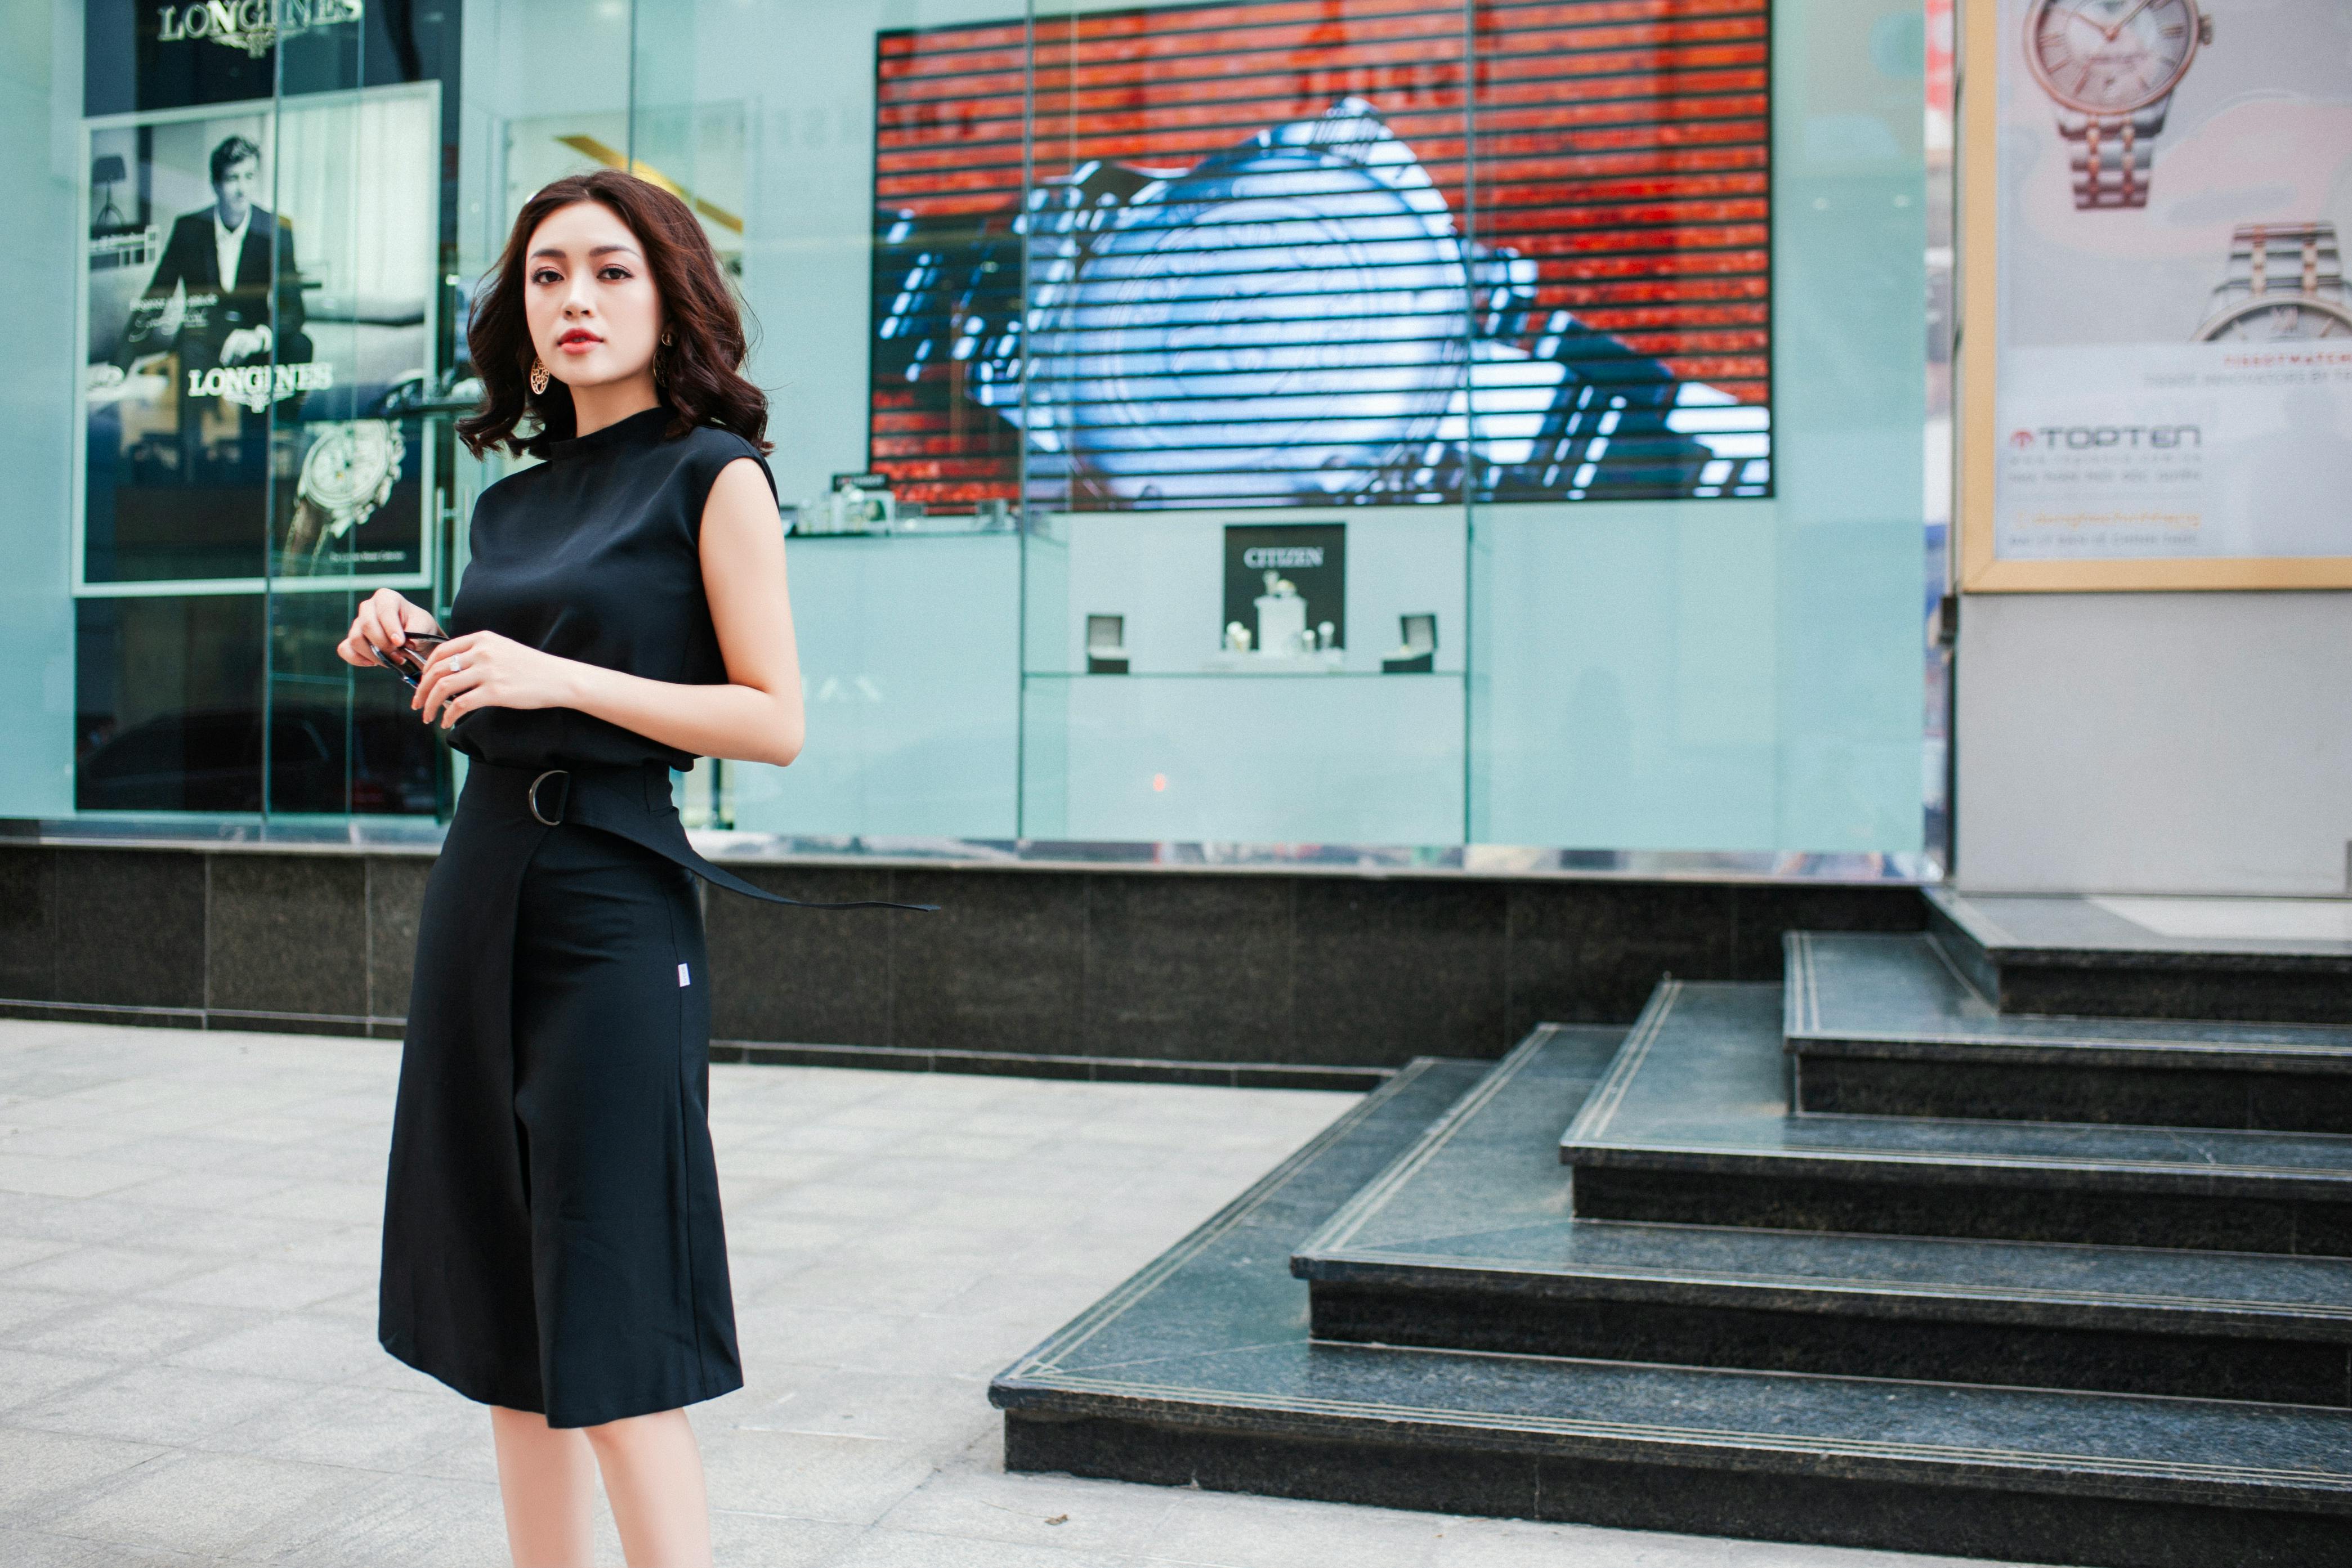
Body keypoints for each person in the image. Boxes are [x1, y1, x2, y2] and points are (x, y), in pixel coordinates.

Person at [337, 170, 924, 1567]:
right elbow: (505, 694)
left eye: (609, 271)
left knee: (610, 1299)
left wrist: (551, 672)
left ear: (671, 298)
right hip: (483, 879)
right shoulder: (509, 506)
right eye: (546, 276)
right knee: (497, 1304)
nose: (574, 300)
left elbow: (771, 719)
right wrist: (421, 644)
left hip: (610, 897)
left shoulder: (714, 474)